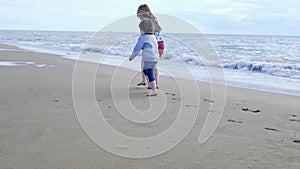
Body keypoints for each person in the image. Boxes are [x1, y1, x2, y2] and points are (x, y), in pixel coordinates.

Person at [136, 4, 164, 89]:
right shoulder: (154, 21)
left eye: (140, 15)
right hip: (160, 45)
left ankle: (148, 83)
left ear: (146, 13)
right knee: (154, 65)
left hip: (153, 45)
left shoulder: (146, 23)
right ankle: (156, 84)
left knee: (146, 64)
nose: (139, 17)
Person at [129, 18, 159, 96]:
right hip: (155, 57)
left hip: (149, 58)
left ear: (142, 29)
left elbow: (137, 48)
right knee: (146, 70)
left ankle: (154, 90)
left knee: (149, 72)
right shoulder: (153, 37)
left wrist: (132, 56)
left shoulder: (143, 38)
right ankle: (151, 84)